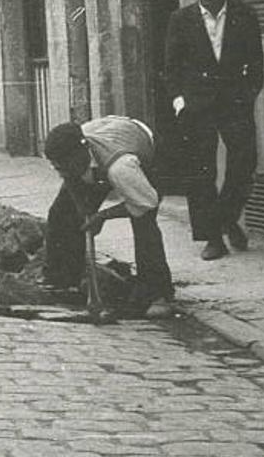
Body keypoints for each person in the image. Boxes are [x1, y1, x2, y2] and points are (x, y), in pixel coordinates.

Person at [163, 0, 264, 261]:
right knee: (201, 170)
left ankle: (225, 218)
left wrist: (247, 96)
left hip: (235, 103)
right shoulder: (181, 19)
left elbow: (256, 64)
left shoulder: (244, 16)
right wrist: (180, 103)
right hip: (197, 105)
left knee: (244, 164)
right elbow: (171, 68)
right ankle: (213, 238)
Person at [43, 117, 174, 319]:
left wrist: (102, 216)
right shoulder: (71, 156)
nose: (62, 172)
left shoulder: (121, 167)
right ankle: (64, 281)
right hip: (104, 140)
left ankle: (157, 294)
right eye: (57, 167)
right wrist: (83, 209)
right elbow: (70, 179)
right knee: (61, 213)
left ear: (80, 154)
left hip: (139, 145)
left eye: (64, 166)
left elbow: (146, 202)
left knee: (143, 223)